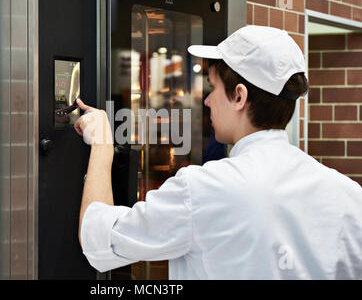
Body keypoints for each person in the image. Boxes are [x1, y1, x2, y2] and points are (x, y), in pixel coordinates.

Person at [74, 25, 362, 279]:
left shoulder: (202, 189)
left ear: (239, 96)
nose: (208, 100)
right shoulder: (348, 194)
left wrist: (102, 144)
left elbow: (98, 240)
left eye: (213, 87)